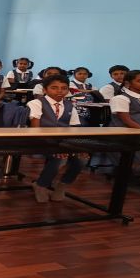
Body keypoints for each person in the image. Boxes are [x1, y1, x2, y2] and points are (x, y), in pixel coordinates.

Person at [27, 75, 89, 203]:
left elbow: (75, 129)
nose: (59, 91)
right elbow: (35, 130)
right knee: (60, 158)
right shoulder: (36, 103)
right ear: (45, 90)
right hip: (41, 140)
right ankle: (41, 185)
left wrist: (78, 147)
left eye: (64, 88)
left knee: (82, 159)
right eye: (54, 88)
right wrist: (57, 147)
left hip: (64, 142)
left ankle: (62, 184)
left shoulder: (70, 106)